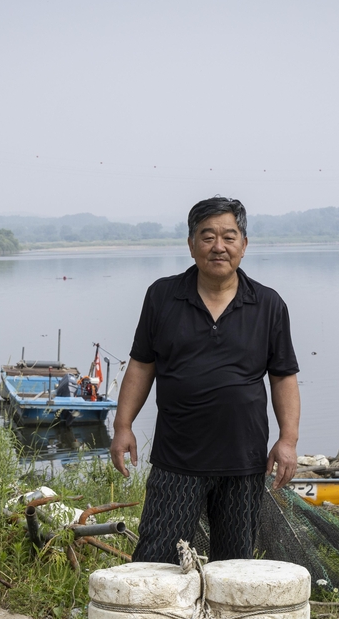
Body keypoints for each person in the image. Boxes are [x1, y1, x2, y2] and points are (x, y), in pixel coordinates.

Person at [110, 196, 300, 565]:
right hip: (177, 459)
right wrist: (123, 427)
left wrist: (287, 440)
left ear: (244, 245)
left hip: (242, 461)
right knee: (156, 560)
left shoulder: (268, 304)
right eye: (207, 236)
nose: (219, 246)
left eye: (229, 237)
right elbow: (141, 366)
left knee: (233, 567)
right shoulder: (163, 296)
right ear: (191, 244)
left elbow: (283, 377)